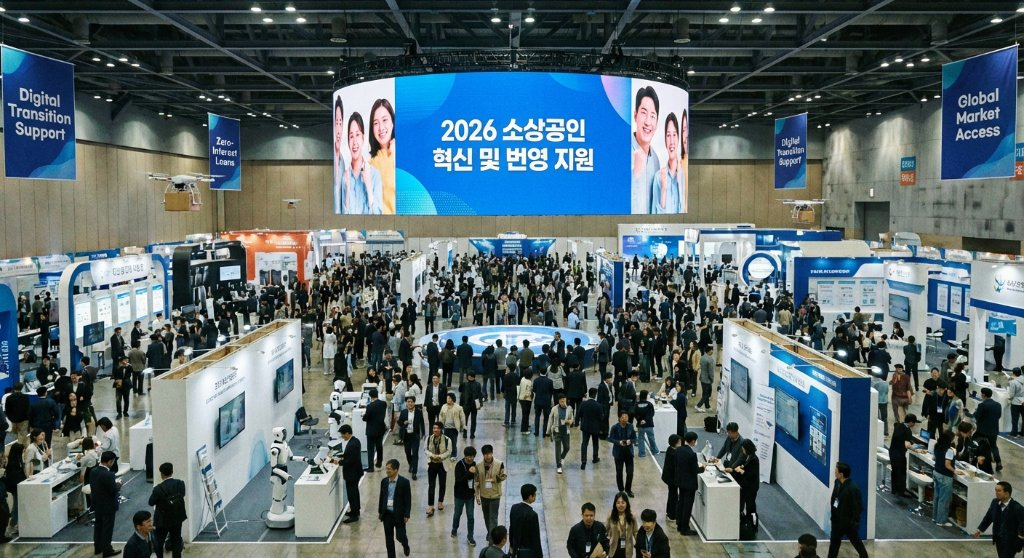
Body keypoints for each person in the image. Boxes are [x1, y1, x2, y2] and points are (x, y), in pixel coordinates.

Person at [341, 112, 383, 214]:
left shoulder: (375, 175)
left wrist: (368, 185)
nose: (355, 141)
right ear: (348, 141)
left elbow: (378, 214)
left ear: (363, 138)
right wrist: (347, 189)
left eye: (357, 135)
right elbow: (343, 215)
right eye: (351, 136)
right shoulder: (345, 177)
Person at [826, 462, 867, 558]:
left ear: (841, 474)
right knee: (834, 544)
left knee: (856, 541)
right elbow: (835, 498)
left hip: (848, 523)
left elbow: (858, 507)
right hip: (836, 521)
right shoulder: (837, 482)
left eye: (836, 471)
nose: (834, 472)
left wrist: (853, 522)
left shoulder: (853, 488)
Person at [973, 481, 1024, 558]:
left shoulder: (1017, 508)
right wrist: (980, 529)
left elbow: (1023, 524)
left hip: (1010, 542)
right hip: (998, 539)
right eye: (996, 490)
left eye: (999, 491)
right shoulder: (995, 502)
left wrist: (1020, 539)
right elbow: (989, 517)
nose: (996, 493)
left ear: (1006, 493)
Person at [630, 85, 660, 214]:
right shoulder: (620, 151)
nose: (648, 122)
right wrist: (635, 175)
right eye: (643, 113)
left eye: (652, 116)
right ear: (635, 115)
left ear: (657, 122)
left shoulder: (656, 160)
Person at [149, 462, 186, 558]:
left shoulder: (157, 489)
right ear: (172, 472)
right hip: (177, 518)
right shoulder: (180, 484)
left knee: (159, 543)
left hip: (162, 521)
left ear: (161, 474)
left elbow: (151, 502)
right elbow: (182, 495)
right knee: (176, 541)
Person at [378, 459, 412, 558]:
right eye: (386, 469)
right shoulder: (384, 481)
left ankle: (405, 545)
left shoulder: (404, 482)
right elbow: (382, 497)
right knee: (389, 539)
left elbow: (408, 499)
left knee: (400, 536)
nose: (387, 471)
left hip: (399, 514)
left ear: (396, 470)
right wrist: (380, 511)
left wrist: (407, 514)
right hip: (387, 514)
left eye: (389, 469)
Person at [368, 98, 396, 214]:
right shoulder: (369, 165)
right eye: (376, 123)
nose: (380, 128)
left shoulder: (406, 153)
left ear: (392, 122)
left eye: (385, 120)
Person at [91, 451, 121, 557]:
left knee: (98, 526)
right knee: (107, 528)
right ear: (109, 461)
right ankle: (107, 549)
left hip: (97, 504)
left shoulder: (93, 471)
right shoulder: (109, 475)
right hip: (108, 506)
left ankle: (98, 547)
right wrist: (118, 485)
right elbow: (113, 490)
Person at [475, 444, 507, 544]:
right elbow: (477, 481)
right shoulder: (478, 466)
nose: (487, 456)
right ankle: (490, 533)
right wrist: (477, 495)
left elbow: (503, 476)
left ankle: (491, 540)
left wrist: (497, 478)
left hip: (495, 495)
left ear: (492, 453)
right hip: (484, 495)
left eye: (489, 453)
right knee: (486, 517)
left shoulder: (499, 464)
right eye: (485, 454)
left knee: (493, 518)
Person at [652, 112, 684, 214]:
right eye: (668, 135)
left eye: (674, 135)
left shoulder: (684, 175)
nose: (672, 141)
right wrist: (663, 190)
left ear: (678, 138)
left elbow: (685, 213)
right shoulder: (658, 177)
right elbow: (653, 216)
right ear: (665, 140)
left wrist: (680, 184)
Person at [675, 431, 702, 536]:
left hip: (680, 481)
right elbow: (695, 470)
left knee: (681, 503)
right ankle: (685, 528)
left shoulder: (679, 450)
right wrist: (703, 468)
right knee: (687, 506)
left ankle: (679, 524)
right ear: (693, 441)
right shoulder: (692, 454)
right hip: (689, 484)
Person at [336, 424, 363, 523]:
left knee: (352, 494)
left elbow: (350, 460)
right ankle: (355, 511)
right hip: (355, 472)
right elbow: (350, 455)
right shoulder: (355, 441)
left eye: (343, 434)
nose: (342, 436)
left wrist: (338, 462)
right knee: (354, 493)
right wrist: (342, 456)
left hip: (352, 473)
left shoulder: (352, 445)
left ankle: (354, 515)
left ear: (347, 433)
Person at [452, 446, 478, 546]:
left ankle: (470, 536)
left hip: (470, 495)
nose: (471, 458)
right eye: (469, 456)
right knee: (457, 514)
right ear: (465, 456)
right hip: (459, 495)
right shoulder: (459, 465)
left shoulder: (474, 464)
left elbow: (476, 479)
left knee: (471, 516)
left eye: (472, 456)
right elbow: (458, 480)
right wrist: (469, 472)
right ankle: (454, 528)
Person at [424, 421, 451, 515]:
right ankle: (430, 506)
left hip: (442, 465)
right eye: (434, 428)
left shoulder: (447, 440)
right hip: (431, 464)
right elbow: (425, 449)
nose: (435, 430)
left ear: (441, 429)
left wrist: (440, 456)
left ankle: (440, 502)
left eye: (437, 428)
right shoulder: (428, 438)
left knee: (442, 484)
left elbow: (449, 452)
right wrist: (432, 455)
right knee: (431, 485)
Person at [509, 483, 542, 558]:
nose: (535, 496)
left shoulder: (514, 508)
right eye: (535, 495)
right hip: (527, 552)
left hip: (516, 549)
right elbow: (536, 539)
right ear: (530, 496)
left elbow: (511, 529)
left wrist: (511, 546)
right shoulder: (533, 515)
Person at [888, 414, 918, 498]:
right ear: (911, 422)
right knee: (902, 472)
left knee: (894, 471)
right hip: (899, 454)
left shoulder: (899, 426)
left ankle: (894, 489)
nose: (914, 424)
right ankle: (901, 491)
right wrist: (916, 450)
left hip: (892, 452)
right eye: (914, 422)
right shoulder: (907, 431)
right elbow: (907, 445)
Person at [932, 429, 957, 527]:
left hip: (936, 472)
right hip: (945, 476)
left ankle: (935, 517)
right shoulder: (949, 450)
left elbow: (934, 458)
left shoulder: (937, 446)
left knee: (937, 497)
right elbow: (947, 465)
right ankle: (941, 520)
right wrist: (955, 471)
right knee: (944, 499)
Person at [609, 411, 637, 497]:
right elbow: (610, 438)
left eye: (626, 417)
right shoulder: (614, 427)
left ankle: (628, 489)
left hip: (629, 453)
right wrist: (618, 442)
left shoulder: (630, 426)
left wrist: (630, 441)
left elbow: (634, 438)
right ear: (619, 418)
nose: (625, 419)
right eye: (623, 417)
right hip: (618, 453)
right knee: (619, 472)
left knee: (630, 472)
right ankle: (621, 489)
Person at [974, 387, 1003, 472]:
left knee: (978, 445)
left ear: (983, 394)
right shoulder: (998, 405)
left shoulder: (982, 405)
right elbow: (999, 416)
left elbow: (977, 417)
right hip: (994, 429)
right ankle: (998, 462)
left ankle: (980, 461)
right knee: (994, 446)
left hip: (982, 431)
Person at [733, 439, 760, 524]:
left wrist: (742, 471)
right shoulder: (750, 456)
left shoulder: (754, 459)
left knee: (750, 506)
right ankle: (749, 521)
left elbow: (752, 475)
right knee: (748, 505)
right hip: (747, 485)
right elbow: (747, 466)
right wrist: (742, 467)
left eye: (743, 449)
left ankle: (752, 523)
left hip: (751, 487)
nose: (743, 450)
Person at [397, 396, 425, 479]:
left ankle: (414, 472)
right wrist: (404, 423)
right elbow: (399, 422)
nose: (410, 403)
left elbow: (422, 423)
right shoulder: (403, 412)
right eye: (408, 402)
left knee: (415, 453)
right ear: (406, 403)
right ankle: (411, 464)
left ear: (414, 403)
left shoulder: (418, 412)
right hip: (406, 436)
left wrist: (423, 434)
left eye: (411, 402)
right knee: (407, 452)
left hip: (415, 436)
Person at [548, 393, 575, 473]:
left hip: (566, 430)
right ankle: (559, 465)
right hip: (557, 431)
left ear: (566, 400)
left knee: (567, 447)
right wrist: (548, 431)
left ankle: (562, 458)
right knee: (558, 449)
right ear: (559, 401)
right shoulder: (554, 409)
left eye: (564, 401)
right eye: (561, 401)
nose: (563, 402)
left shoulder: (569, 408)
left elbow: (571, 418)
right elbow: (550, 419)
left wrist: (570, 421)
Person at [363, 388, 388, 472]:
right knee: (379, 446)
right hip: (380, 428)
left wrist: (363, 416)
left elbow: (366, 418)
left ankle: (371, 467)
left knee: (370, 448)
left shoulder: (370, 406)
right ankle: (379, 462)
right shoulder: (383, 404)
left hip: (371, 430)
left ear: (370, 396)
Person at [606, 492, 637, 558]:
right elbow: (606, 530)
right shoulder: (611, 515)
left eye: (623, 502)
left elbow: (635, 532)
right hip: (614, 546)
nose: (620, 505)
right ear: (615, 504)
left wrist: (640, 545)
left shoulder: (632, 516)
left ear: (627, 503)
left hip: (627, 547)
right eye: (618, 503)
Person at [579, 388, 604, 469]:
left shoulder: (583, 404)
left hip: (585, 427)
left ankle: (583, 461)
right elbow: (601, 418)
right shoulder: (599, 405)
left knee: (584, 444)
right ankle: (595, 458)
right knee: (595, 443)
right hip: (595, 428)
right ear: (595, 395)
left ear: (589, 394)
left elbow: (580, 414)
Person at [439, 393, 465, 460]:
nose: (448, 399)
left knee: (453, 442)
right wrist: (440, 424)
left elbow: (462, 417)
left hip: (454, 428)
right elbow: (441, 416)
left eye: (449, 398)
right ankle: (447, 454)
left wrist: (463, 425)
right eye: (447, 398)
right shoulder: (444, 407)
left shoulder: (458, 407)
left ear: (453, 399)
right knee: (446, 442)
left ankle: (453, 455)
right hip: (446, 427)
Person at [661, 434, 681, 523]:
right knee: (673, 496)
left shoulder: (670, 449)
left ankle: (670, 512)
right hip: (671, 479)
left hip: (668, 477)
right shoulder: (674, 454)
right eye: (679, 442)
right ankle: (672, 515)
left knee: (672, 495)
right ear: (675, 443)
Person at [633, 390, 658, 458]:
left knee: (640, 439)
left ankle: (642, 453)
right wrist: (645, 420)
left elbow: (635, 414)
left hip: (640, 425)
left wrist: (640, 420)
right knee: (651, 438)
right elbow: (651, 414)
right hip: (649, 424)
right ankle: (654, 451)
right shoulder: (649, 404)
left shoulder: (636, 405)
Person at [695, 347, 714, 411]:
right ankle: (698, 405)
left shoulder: (702, 357)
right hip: (707, 380)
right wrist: (712, 379)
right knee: (707, 394)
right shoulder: (710, 360)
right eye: (712, 350)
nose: (712, 351)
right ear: (709, 351)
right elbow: (710, 371)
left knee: (705, 392)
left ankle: (707, 406)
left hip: (702, 378)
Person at [1008, 368, 1024, 437]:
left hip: (1016, 402)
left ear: (1013, 373)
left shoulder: (1013, 382)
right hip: (1023, 401)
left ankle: (1014, 432)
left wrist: (1009, 399)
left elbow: (1011, 394)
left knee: (1015, 419)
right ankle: (1023, 433)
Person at [518, 370, 535, 434]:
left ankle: (526, 425)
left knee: (524, 414)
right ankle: (524, 430)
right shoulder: (529, 382)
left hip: (521, 398)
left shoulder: (522, 379)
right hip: (527, 400)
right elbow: (529, 392)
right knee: (526, 415)